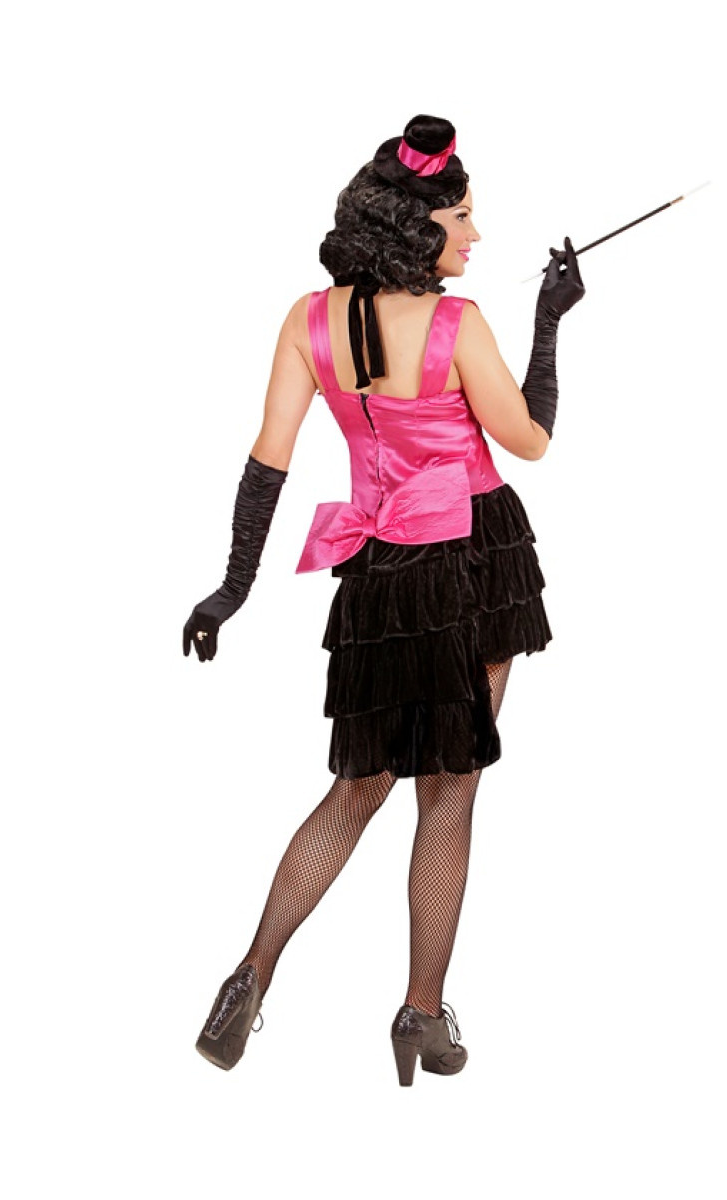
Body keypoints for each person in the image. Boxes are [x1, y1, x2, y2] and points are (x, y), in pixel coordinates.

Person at [182, 115, 585, 1086]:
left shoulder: (306, 320)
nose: (475, 234)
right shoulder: (457, 326)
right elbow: (530, 439)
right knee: (448, 795)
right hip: (473, 561)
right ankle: (420, 1015)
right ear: (417, 227)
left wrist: (232, 588)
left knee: (357, 789)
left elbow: (267, 465)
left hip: (379, 571)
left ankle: (247, 979)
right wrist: (549, 322)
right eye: (461, 216)